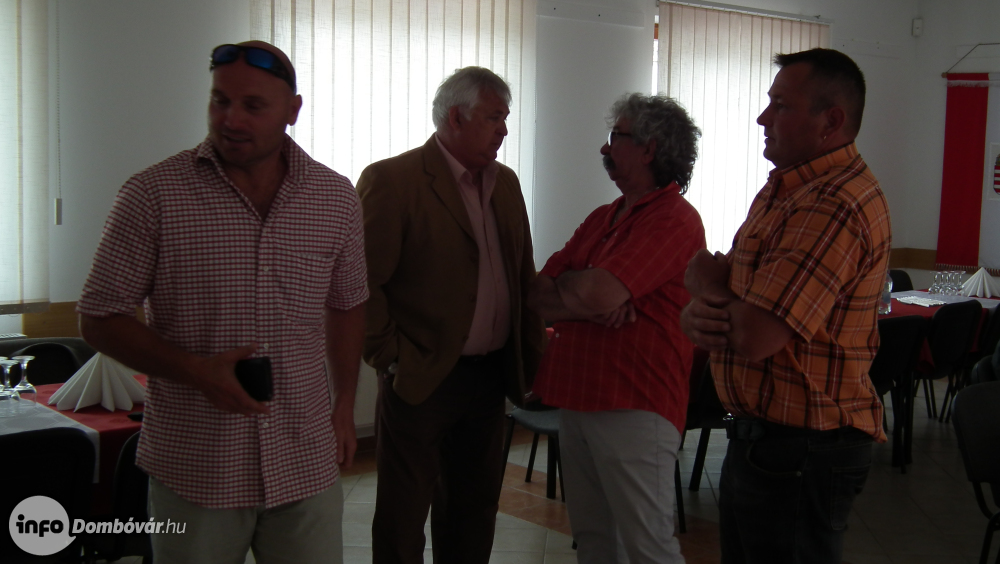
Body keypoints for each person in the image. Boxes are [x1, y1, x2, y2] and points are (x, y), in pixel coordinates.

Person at [77, 41, 368, 564]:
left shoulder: (335, 197)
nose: (231, 119)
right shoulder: (153, 194)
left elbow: (347, 304)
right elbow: (99, 317)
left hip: (304, 458)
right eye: (220, 101)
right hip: (197, 467)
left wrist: (344, 403)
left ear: (293, 110)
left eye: (253, 105)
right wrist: (195, 371)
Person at [680, 48, 891, 564]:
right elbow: (731, 301)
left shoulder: (833, 203)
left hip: (803, 448)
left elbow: (755, 335)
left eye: (780, 105)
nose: (762, 118)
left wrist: (706, 289)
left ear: (830, 122)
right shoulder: (786, 188)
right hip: (767, 441)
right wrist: (703, 305)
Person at [356, 66, 545, 564]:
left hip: (489, 377)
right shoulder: (392, 180)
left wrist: (529, 353)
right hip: (419, 377)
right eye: (494, 118)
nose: (504, 130)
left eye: (506, 118)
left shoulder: (505, 184)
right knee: (403, 515)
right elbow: (361, 283)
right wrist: (390, 356)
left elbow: (521, 272)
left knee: (474, 509)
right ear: (457, 118)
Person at [528, 93, 705, 564]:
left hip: (636, 403)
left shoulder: (674, 219)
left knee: (648, 548)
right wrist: (587, 302)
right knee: (593, 540)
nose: (605, 148)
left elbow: (599, 292)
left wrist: (586, 292)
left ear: (649, 149)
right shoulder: (602, 217)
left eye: (616, 136)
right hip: (578, 396)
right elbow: (536, 293)